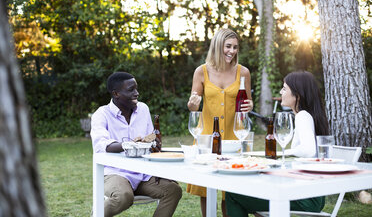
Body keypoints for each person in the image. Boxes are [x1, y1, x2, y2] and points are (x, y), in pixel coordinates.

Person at [226, 71, 328, 216]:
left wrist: (282, 154)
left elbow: (309, 150)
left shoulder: (303, 117)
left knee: (233, 194)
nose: (281, 91)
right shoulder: (305, 115)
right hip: (308, 194)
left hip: (305, 199)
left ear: (297, 94)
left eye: (285, 88)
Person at [90, 72, 182, 217]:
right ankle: (97, 214)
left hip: (143, 173)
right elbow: (103, 145)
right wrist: (132, 145)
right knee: (124, 196)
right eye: (131, 90)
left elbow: (151, 139)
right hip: (115, 173)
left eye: (136, 88)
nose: (137, 93)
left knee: (173, 190)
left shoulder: (143, 109)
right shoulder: (101, 114)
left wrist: (154, 145)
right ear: (116, 94)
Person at [187, 28, 254, 217]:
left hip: (234, 137)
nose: (232, 51)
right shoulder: (202, 72)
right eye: (228, 46)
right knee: (207, 191)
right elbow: (193, 106)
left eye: (235, 47)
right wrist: (192, 104)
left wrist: (249, 105)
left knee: (230, 191)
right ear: (218, 46)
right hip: (208, 137)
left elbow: (247, 103)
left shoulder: (243, 73)